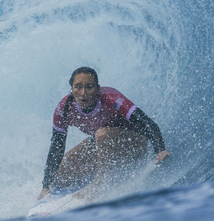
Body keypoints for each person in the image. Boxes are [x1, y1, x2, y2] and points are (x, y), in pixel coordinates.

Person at [38, 67, 171, 201]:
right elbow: (56, 147)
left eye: (89, 87)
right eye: (78, 87)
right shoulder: (64, 109)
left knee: (102, 134)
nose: (83, 93)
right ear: (72, 88)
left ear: (97, 88)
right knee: (58, 178)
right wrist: (45, 186)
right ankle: (88, 179)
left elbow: (148, 124)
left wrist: (160, 149)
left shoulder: (112, 99)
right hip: (103, 147)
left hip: (133, 145)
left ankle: (100, 184)